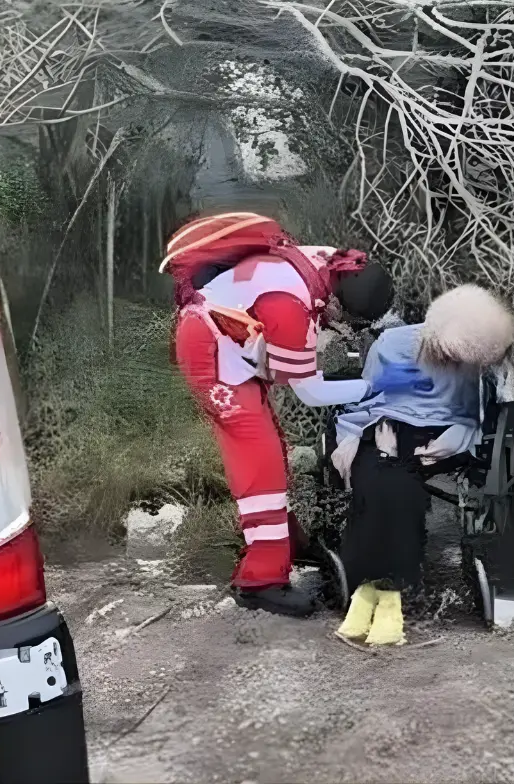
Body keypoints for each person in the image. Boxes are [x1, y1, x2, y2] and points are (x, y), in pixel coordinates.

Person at [162, 212, 396, 617]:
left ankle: (285, 541)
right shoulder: (291, 305)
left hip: (224, 342)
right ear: (339, 303)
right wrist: (374, 387)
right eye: (346, 322)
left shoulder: (323, 263)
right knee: (261, 458)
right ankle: (260, 581)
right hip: (212, 354)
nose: (342, 330)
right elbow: (310, 392)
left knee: (271, 445)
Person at [329, 284, 514, 645]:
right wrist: (353, 438)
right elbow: (366, 403)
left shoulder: (477, 354)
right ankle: (387, 592)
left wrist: (463, 433)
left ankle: (510, 585)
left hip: (456, 431)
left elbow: (485, 409)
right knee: (386, 477)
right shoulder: (392, 346)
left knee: (504, 468)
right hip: (396, 427)